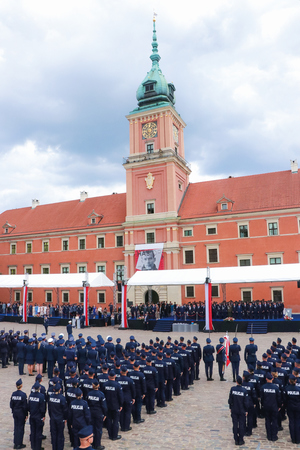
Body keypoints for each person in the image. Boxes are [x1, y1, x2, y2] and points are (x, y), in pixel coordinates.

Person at [103, 369, 124, 441]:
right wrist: (121, 404)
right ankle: (114, 435)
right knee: (115, 421)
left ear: (108, 376)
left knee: (109, 420)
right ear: (115, 376)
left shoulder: (105, 384)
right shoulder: (117, 385)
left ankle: (110, 434)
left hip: (107, 405)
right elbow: (120, 396)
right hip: (115, 405)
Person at [87, 379, 107, 450]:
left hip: (91, 413)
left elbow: (87, 403)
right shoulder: (101, 394)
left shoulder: (89, 394)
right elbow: (104, 405)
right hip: (98, 413)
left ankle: (92, 443)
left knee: (92, 428)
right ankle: (97, 444)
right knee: (98, 429)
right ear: (98, 386)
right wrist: (105, 414)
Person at [260, 373, 281, 441]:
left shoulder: (263, 387)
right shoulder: (276, 388)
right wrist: (279, 406)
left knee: (268, 421)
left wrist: (263, 405)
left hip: (266, 406)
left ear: (266, 379)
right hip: (274, 406)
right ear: (272, 379)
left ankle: (269, 435)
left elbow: (262, 398)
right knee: (274, 421)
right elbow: (278, 398)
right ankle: (274, 435)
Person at [228, 375, 248, 446]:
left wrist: (230, 407)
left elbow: (230, 400)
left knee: (235, 425)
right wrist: (246, 410)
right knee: (242, 424)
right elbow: (246, 402)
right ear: (242, 382)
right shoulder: (244, 391)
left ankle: (236, 439)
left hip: (234, 409)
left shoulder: (233, 389)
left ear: (236, 382)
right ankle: (241, 439)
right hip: (242, 410)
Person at [48, 383, 68, 450]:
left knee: (54, 434)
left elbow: (49, 408)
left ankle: (54, 448)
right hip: (60, 419)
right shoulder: (62, 398)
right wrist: (65, 418)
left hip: (53, 418)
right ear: (60, 389)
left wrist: (51, 416)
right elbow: (65, 410)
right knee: (60, 434)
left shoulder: (51, 397)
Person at [10, 378, 28, 450]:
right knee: (20, 428)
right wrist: (26, 414)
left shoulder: (13, 394)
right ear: (21, 385)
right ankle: (19, 443)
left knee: (16, 427)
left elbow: (11, 404)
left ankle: (15, 443)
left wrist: (13, 410)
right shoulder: (23, 395)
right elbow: (25, 406)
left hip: (15, 412)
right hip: (21, 413)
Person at [28, 382, 46, 450]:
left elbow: (28, 406)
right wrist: (43, 415)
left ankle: (33, 445)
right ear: (39, 388)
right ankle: (38, 447)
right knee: (38, 432)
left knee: (33, 431)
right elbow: (42, 407)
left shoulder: (31, 395)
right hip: (38, 416)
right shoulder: (41, 396)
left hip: (32, 415)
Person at [284, 374, 300, 444]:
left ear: (289, 381)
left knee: (291, 422)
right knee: (297, 422)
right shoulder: (298, 389)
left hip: (290, 407)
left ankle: (293, 438)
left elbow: (285, 399)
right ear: (295, 381)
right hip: (298, 407)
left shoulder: (286, 388)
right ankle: (298, 438)